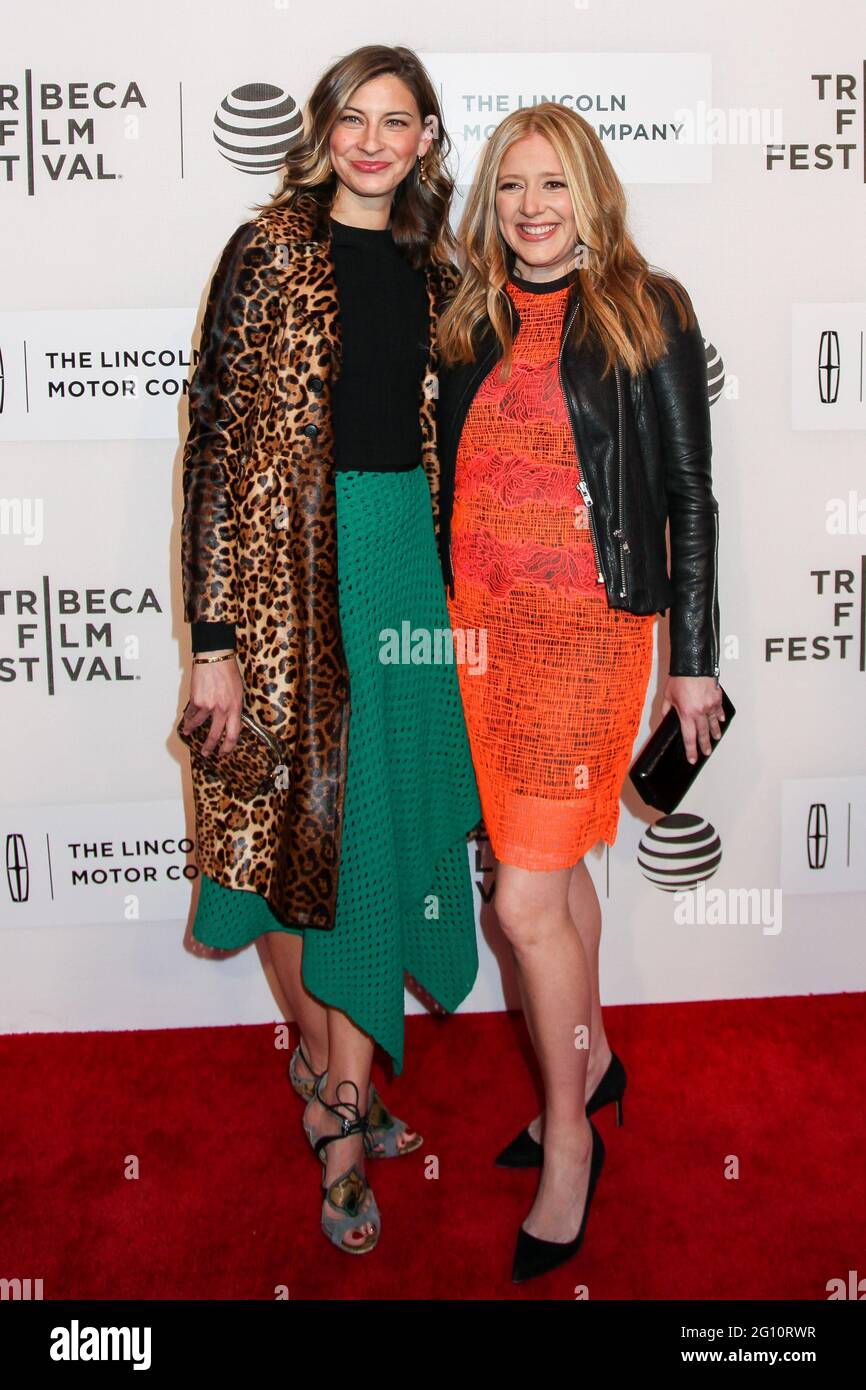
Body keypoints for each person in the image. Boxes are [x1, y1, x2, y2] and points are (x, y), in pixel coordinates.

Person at [179, 45, 481, 1257]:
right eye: (351, 118)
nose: (370, 140)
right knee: (273, 837)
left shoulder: (434, 265)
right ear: (323, 131)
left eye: (393, 120)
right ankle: (330, 1080)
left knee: (374, 836)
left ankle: (338, 1095)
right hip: (284, 573)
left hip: (400, 555)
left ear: (422, 140)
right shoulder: (267, 253)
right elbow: (210, 444)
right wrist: (212, 636)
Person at [436, 103, 724, 1282]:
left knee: (519, 907)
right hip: (476, 645)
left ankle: (569, 1137)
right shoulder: (472, 316)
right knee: (544, 894)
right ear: (488, 201)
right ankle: (592, 1058)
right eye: (509, 186)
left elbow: (687, 497)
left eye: (552, 184)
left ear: (590, 192)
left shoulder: (645, 308)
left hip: (586, 643)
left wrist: (691, 659)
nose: (530, 208)